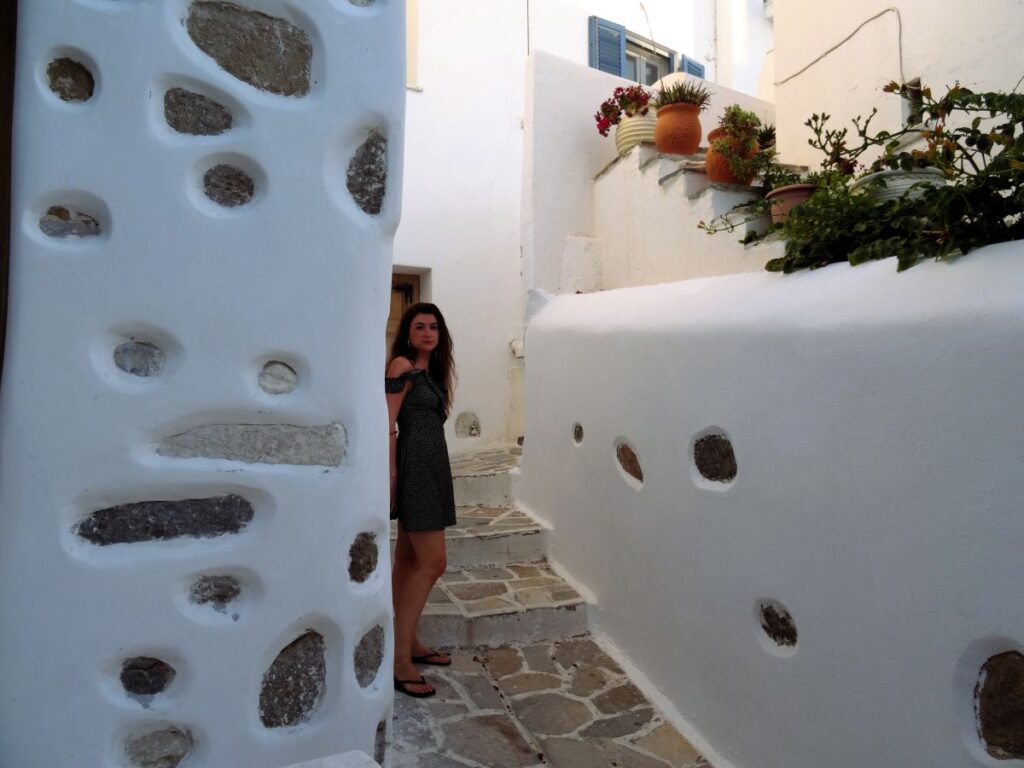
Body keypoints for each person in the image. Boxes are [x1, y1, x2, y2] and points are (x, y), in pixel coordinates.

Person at [385, 303, 458, 698]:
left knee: (409, 561)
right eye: (420, 326)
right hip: (414, 469)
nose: (428, 332)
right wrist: (392, 475)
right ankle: (399, 661)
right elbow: (388, 421)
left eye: (434, 327)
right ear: (408, 332)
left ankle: (407, 641)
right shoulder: (401, 366)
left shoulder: (433, 372)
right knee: (433, 562)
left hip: (432, 467)